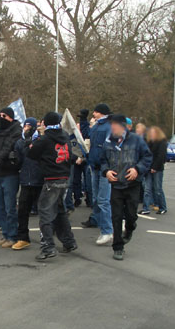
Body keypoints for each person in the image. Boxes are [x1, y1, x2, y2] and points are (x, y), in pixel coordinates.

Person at [100, 114, 152, 260]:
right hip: (116, 184)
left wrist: (137, 169)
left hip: (132, 184)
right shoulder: (108, 141)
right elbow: (102, 160)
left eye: (115, 125)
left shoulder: (136, 140)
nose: (112, 128)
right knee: (116, 216)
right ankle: (118, 247)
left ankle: (130, 227)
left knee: (131, 215)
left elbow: (147, 157)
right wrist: (106, 171)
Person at [27, 112, 77, 260]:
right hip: (64, 177)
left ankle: (48, 247)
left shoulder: (45, 139)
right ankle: (69, 241)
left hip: (51, 179)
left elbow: (32, 154)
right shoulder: (65, 137)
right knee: (60, 211)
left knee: (45, 213)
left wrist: (31, 142)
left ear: (46, 123)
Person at [0, 107, 23, 248]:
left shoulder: (16, 132)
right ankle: (5, 233)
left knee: (10, 207)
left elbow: (6, 149)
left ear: (10, 117)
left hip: (10, 173)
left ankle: (12, 235)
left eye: (4, 116)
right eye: (0, 115)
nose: (1, 118)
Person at [82, 103, 113, 246]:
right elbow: (86, 135)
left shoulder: (109, 126)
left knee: (103, 200)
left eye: (95, 112)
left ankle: (107, 231)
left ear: (101, 113)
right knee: (96, 199)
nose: (93, 114)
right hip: (95, 166)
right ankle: (103, 226)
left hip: (105, 168)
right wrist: (83, 120)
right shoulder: (97, 126)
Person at [12, 117, 43, 250]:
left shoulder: (40, 141)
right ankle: (23, 237)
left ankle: (46, 235)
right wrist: (14, 159)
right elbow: (19, 161)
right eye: (25, 126)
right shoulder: (20, 142)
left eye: (29, 126)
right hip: (25, 180)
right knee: (23, 211)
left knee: (44, 211)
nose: (26, 128)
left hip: (39, 180)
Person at [146, 126, 168, 215]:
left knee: (158, 188)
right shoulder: (149, 142)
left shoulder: (162, 142)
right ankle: (146, 207)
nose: (151, 134)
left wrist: (154, 167)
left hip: (157, 169)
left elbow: (161, 156)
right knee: (147, 189)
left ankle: (163, 207)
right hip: (148, 168)